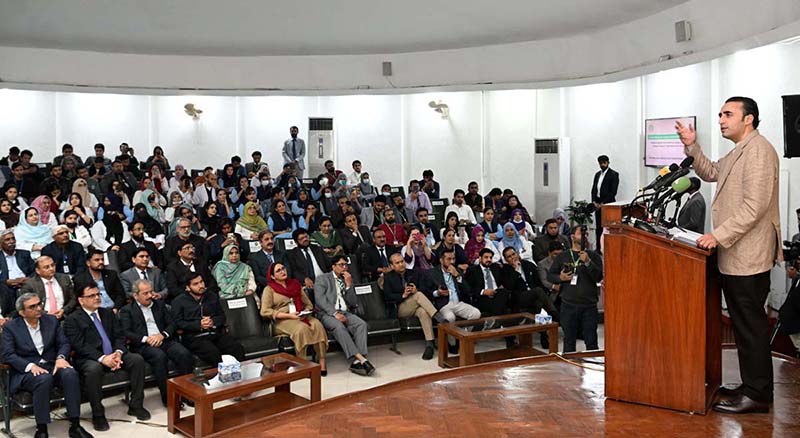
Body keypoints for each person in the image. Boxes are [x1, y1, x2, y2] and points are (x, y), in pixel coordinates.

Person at [676, 96, 782, 414]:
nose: (721, 119)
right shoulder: (739, 150)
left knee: (750, 326)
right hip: (736, 255)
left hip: (749, 255)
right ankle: (751, 386)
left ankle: (758, 394)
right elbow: (711, 172)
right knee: (744, 325)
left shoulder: (759, 151)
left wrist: (717, 236)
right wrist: (692, 146)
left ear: (749, 119)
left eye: (728, 114)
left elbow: (754, 206)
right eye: (720, 114)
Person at [2, 292, 92, 438]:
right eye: (32, 306)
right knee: (43, 379)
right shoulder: (11, 327)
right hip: (26, 371)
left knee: (70, 373)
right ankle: (42, 429)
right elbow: (8, 354)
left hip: (52, 365)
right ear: (22, 313)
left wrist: (61, 358)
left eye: (39, 304)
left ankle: (75, 425)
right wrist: (30, 366)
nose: (39, 308)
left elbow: (64, 343)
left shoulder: (51, 320)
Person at [64, 280, 150, 431]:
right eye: (91, 296)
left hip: (113, 353)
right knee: (94, 369)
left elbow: (120, 336)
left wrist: (118, 353)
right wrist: (103, 358)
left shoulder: (108, 313)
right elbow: (79, 345)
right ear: (81, 300)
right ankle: (98, 414)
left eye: (98, 294)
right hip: (89, 358)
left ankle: (136, 405)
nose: (97, 298)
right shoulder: (73, 319)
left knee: (136, 360)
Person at [120, 278, 194, 406]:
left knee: (183, 353)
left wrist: (162, 335)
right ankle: (168, 397)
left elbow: (172, 324)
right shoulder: (127, 310)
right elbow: (127, 332)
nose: (150, 296)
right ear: (136, 296)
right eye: (145, 293)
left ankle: (187, 393)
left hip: (163, 339)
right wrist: (147, 339)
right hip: (144, 344)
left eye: (150, 292)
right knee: (159, 356)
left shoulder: (159, 304)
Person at [261, 263, 328, 372]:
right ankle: (302, 363)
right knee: (301, 329)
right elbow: (265, 311)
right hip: (282, 320)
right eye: (278, 271)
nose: (282, 271)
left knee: (317, 325)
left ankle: (322, 360)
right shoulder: (269, 290)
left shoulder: (295, 284)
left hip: (299, 316)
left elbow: (308, 304)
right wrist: (289, 315)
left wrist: (305, 312)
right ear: (272, 276)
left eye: (283, 268)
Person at [314, 255, 375, 376]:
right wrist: (334, 313)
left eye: (346, 265)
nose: (344, 268)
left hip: (345, 312)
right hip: (327, 314)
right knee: (339, 327)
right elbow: (320, 300)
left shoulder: (348, 279)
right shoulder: (323, 279)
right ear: (333, 266)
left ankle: (357, 362)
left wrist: (348, 286)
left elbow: (353, 302)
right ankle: (361, 359)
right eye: (341, 265)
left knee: (361, 324)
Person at [547, 225, 603, 354]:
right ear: (572, 237)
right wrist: (560, 278)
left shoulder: (593, 256)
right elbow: (550, 276)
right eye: (581, 233)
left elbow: (599, 277)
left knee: (591, 341)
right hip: (569, 305)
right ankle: (569, 366)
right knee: (569, 341)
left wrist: (588, 262)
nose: (584, 236)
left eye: (586, 234)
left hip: (589, 305)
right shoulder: (563, 256)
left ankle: (592, 364)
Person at [172, 272, 246, 365]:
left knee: (236, 348)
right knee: (213, 353)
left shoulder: (211, 296)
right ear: (188, 287)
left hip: (214, 333)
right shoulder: (179, 301)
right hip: (194, 337)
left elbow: (221, 316)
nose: (201, 286)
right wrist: (199, 324)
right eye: (196, 284)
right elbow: (178, 322)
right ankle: (221, 373)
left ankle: (241, 372)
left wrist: (212, 322)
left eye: (201, 282)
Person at [383, 253, 444, 360]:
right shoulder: (388, 277)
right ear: (392, 266)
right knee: (418, 295)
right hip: (400, 308)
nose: (401, 264)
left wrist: (417, 290)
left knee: (423, 311)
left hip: (416, 305)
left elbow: (426, 291)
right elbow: (387, 297)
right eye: (397, 263)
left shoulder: (413, 273)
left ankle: (429, 344)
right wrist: (403, 295)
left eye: (402, 261)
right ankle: (439, 318)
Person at [423, 248, 481, 353]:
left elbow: (468, 290)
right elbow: (426, 291)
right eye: (449, 259)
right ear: (441, 260)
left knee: (476, 313)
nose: (452, 262)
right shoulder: (432, 273)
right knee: (450, 318)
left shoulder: (457, 271)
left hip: (458, 302)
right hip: (444, 304)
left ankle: (463, 337)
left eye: (453, 259)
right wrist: (437, 293)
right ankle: (452, 343)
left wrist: (457, 276)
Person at [20, 256, 76, 320]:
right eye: (46, 267)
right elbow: (28, 306)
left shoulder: (64, 278)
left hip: (64, 316)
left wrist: (63, 310)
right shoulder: (30, 285)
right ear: (38, 271)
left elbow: (73, 299)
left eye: (52, 265)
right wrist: (46, 314)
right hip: (41, 318)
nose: (51, 268)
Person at [590, 155, 619, 252]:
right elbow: (594, 189)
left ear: (608, 163)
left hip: (608, 204)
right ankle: (598, 249)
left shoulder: (614, 174)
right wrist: (594, 201)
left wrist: (603, 203)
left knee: (607, 228)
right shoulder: (597, 174)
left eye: (604, 163)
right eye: (600, 163)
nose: (602, 165)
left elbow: (613, 192)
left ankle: (607, 249)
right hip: (597, 204)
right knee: (598, 227)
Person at [0, 229, 35, 295]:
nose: (12, 241)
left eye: (13, 238)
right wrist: (5, 282)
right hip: (6, 288)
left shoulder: (24, 254)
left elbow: (34, 271)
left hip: (26, 285)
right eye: (7, 239)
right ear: (1, 243)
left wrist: (28, 279)